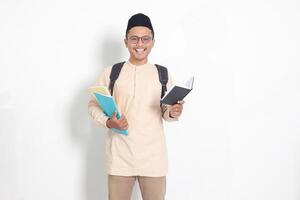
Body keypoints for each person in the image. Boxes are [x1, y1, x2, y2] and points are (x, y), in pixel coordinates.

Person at [88, 13, 184, 200]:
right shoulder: (112, 73)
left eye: (145, 39)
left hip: (153, 160)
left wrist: (173, 112)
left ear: (153, 42)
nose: (140, 44)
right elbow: (93, 105)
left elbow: (166, 110)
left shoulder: (162, 74)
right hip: (120, 159)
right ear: (126, 41)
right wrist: (109, 122)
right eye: (134, 38)